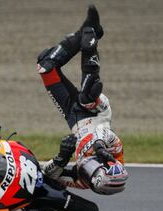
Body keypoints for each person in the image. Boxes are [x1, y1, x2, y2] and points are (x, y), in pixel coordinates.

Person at [37, 5, 128, 195]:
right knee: (87, 96)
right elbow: (107, 134)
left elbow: (47, 177)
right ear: (106, 164)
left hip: (73, 118)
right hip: (97, 113)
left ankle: (88, 30)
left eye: (89, 176)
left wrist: (61, 158)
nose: (86, 169)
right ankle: (90, 43)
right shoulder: (115, 155)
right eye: (92, 169)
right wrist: (100, 145)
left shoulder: (82, 181)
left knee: (46, 66)